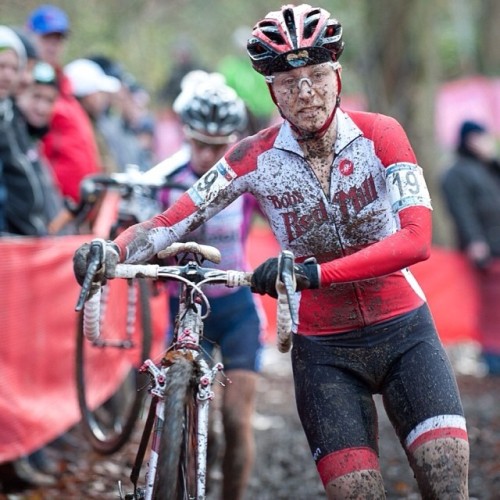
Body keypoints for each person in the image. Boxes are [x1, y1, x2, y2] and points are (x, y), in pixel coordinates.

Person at [73, 5, 469, 498]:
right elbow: (168, 223)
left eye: (317, 75)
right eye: (289, 82)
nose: (306, 92)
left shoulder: (381, 134)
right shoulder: (251, 156)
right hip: (325, 351)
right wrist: (109, 250)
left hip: (405, 332)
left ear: (337, 75)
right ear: (270, 91)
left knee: (448, 488)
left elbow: (416, 239)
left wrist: (310, 274)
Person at [154, 73, 263, 500]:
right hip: (185, 311)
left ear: (234, 141)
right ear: (185, 136)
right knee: (193, 418)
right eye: (198, 142)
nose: (206, 154)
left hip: (236, 308)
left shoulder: (246, 182)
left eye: (218, 146)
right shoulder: (165, 180)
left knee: (236, 420)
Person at [26, 4, 103, 204]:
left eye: (58, 39)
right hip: (51, 206)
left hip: (80, 207)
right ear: (30, 36)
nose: (53, 45)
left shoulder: (65, 86)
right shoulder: (24, 86)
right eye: (46, 38)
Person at [441, 120, 500, 375]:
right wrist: (476, 242)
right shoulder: (456, 173)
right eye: (480, 137)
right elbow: (462, 211)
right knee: (491, 306)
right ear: (468, 140)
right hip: (485, 250)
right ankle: (493, 357)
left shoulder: (487, 168)